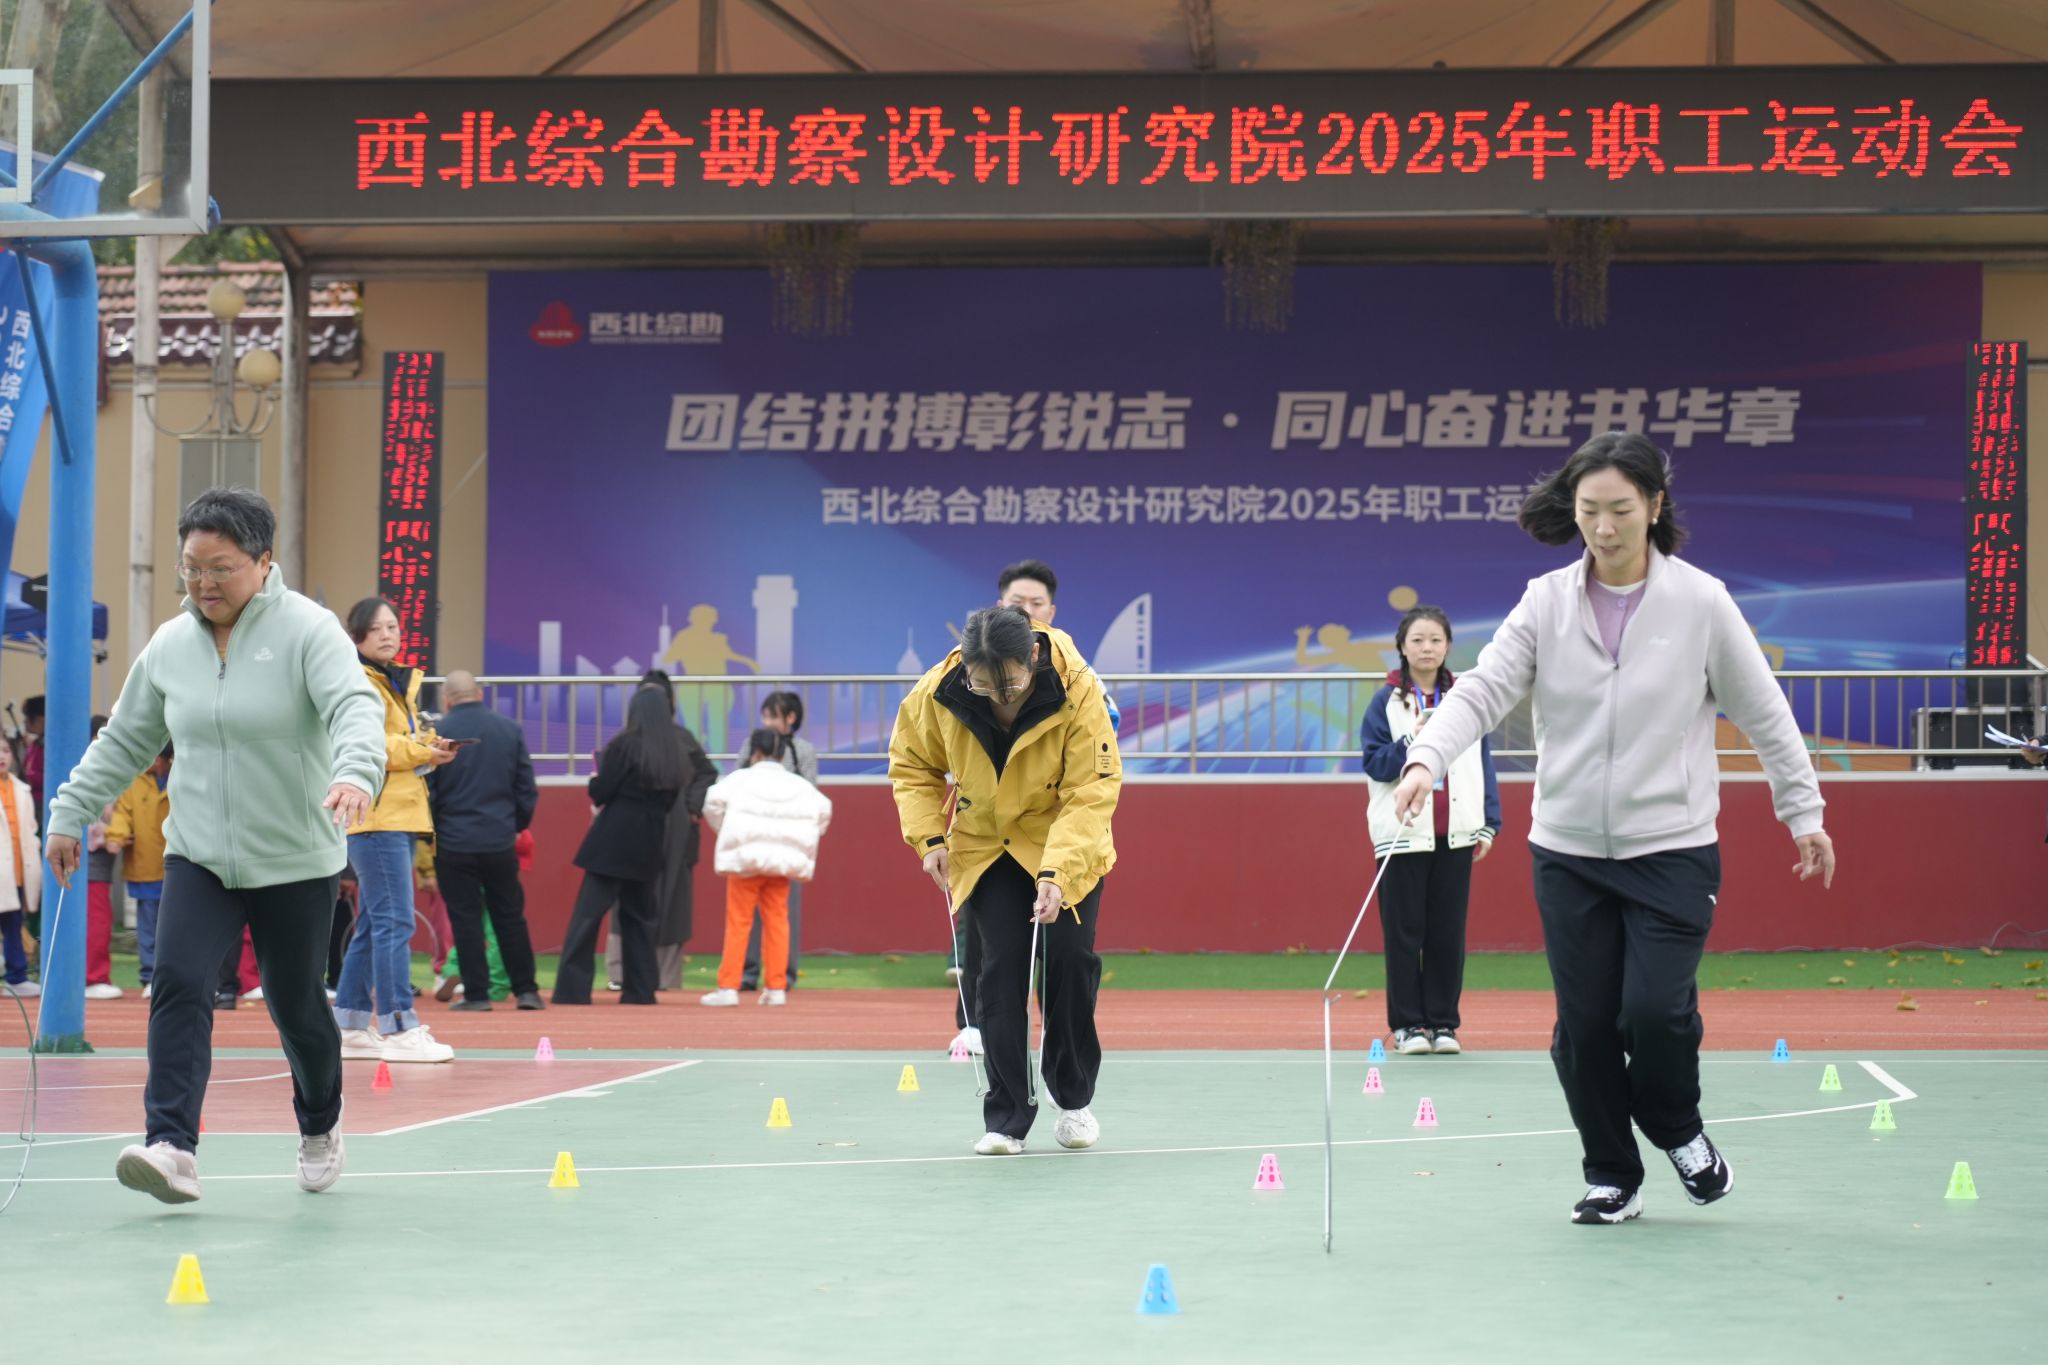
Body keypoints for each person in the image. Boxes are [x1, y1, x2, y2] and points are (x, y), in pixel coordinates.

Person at [1391, 433, 1836, 1227]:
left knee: (1655, 1012)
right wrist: (1426, 759)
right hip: (1567, 852)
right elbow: (1483, 689)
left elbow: (1765, 711)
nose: (1603, 527)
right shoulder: (1545, 601)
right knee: (1586, 1026)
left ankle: (1676, 1125)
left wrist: (1803, 811)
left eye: (1620, 509)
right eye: (1589, 509)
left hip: (1673, 848)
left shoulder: (1701, 602)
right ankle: (1611, 1174)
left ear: (1655, 506)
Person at [46, 486, 387, 1205]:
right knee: (178, 982)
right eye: (192, 567)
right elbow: (125, 739)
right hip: (198, 853)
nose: (204, 583)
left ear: (264, 562)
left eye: (221, 568)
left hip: (294, 856)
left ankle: (320, 1123)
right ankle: (171, 1145)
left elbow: (353, 707)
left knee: (297, 1007)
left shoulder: (309, 631)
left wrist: (356, 771)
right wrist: (69, 811)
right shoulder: (171, 646)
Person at [890, 605, 1122, 1156]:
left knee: (1069, 963)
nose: (999, 697)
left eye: (1011, 684)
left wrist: (1057, 871)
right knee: (998, 972)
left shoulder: (1078, 686)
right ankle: (1006, 1118)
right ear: (964, 668)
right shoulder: (937, 691)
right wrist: (930, 838)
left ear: (1034, 657)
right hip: (987, 844)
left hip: (1064, 840)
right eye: (984, 685)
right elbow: (912, 766)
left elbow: (1092, 789)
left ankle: (1073, 1098)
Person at [944, 561, 1122, 1058]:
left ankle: (1058, 1046)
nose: (1027, 610)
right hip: (989, 829)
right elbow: (917, 756)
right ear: (998, 608)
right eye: (1017, 602)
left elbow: (1098, 762)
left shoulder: (1080, 679)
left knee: (1063, 948)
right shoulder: (962, 672)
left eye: (1036, 603)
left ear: (1050, 613)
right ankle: (974, 1027)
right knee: (990, 942)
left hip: (1058, 826)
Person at [1362, 606, 1500, 1057]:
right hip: (1402, 835)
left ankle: (1443, 1024)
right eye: (1417, 640)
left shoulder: (1465, 699)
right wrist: (1412, 742)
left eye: (1436, 640)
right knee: (1404, 933)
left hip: (1456, 833)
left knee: (1447, 933)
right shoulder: (1385, 702)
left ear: (1448, 646)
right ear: (1402, 648)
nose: (1427, 648)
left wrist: (1489, 822)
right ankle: (1407, 1026)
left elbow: (1482, 763)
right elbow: (1375, 763)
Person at [333, 597, 459, 1064]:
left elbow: (398, 740)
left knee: (374, 924)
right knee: (394, 922)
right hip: (378, 817)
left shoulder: (390, 681)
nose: (388, 634)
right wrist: (423, 751)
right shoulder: (359, 682)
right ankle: (399, 1025)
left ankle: (350, 1026)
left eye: (393, 626)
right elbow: (372, 744)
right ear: (357, 637)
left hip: (394, 815)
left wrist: (430, 745)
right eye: (377, 628)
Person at [553, 687, 687, 1005]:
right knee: (640, 918)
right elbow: (670, 802)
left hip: (613, 839)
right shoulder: (674, 753)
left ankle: (573, 990)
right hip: (650, 841)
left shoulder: (623, 745)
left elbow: (601, 791)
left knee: (587, 917)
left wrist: (594, 780)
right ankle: (641, 990)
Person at [426, 669, 544, 1012]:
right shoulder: (509, 729)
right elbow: (526, 788)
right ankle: (527, 991)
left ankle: (476, 995)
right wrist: (515, 826)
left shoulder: (437, 736)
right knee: (510, 915)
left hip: (454, 841)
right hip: (498, 840)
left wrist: (433, 832)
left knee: (465, 919)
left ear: (447, 700)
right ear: (479, 694)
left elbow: (428, 792)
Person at [700, 729, 833, 1007]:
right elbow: (824, 809)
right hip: (780, 863)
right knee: (778, 922)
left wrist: (725, 830)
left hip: (745, 860)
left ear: (755, 753)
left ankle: (728, 987)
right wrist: (801, 837)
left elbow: (711, 802)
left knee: (739, 922)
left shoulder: (739, 779)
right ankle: (776, 987)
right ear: (781, 755)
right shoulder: (798, 785)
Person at [604, 670, 715, 993]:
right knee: (626, 895)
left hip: (676, 831)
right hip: (632, 828)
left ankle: (666, 977)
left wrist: (692, 807)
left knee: (673, 900)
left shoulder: (683, 740)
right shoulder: (625, 742)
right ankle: (620, 973)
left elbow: (707, 774)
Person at [739, 690, 818, 993]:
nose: (767, 722)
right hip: (753, 837)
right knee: (747, 910)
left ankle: (783, 975)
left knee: (785, 911)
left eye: (773, 716)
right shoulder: (751, 744)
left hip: (788, 841)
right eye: (765, 715)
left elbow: (811, 794)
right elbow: (737, 780)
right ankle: (747, 973)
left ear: (791, 718)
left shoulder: (804, 750)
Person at [104, 740, 175, 1003]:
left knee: (177, 927)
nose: (151, 762)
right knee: (148, 928)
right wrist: (116, 836)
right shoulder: (133, 783)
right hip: (144, 866)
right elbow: (122, 813)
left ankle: (176, 977)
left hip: (176, 866)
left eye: (157, 757)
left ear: (167, 759)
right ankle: (150, 977)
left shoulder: (180, 778)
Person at [82, 717, 124, 1000]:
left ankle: (89, 975)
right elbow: (102, 815)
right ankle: (94, 976)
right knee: (97, 916)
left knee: (94, 915)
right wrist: (112, 832)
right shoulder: (94, 768)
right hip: (91, 852)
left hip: (93, 852)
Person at [0, 739, 41, 998]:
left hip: (14, 871)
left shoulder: (21, 789)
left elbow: (30, 830)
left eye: (5, 751)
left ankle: (17, 977)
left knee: (13, 923)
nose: (1, 756)